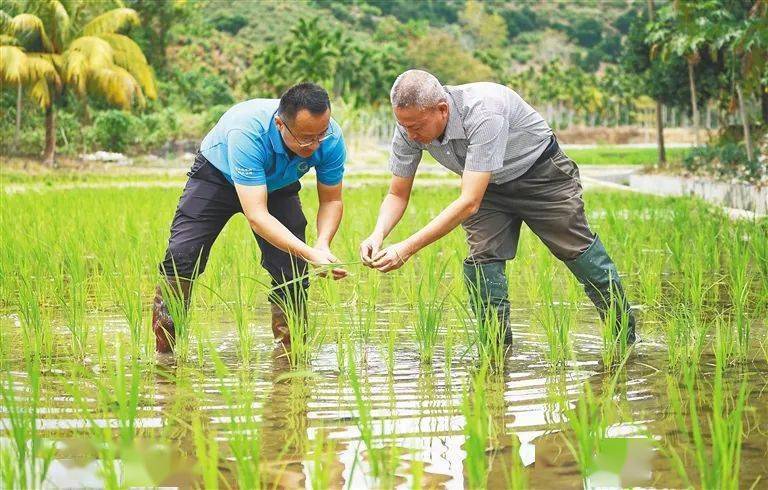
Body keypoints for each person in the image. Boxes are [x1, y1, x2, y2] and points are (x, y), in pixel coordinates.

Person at [360, 70, 635, 346]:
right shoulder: (409, 125)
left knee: (575, 248)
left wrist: (406, 248)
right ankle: (496, 352)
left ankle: (624, 338)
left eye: (416, 126)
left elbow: (469, 202)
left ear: (442, 109)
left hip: (541, 175)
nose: (410, 133)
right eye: (404, 125)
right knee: (483, 260)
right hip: (487, 186)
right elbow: (397, 193)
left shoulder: (484, 110)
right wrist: (377, 234)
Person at [153, 82, 348, 353]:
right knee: (182, 256)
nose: (314, 145)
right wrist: (309, 253)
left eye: (321, 135)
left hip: (278, 183)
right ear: (280, 124)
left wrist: (322, 245)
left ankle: (290, 359)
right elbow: (257, 215)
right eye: (305, 138)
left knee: (291, 268)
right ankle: (165, 354)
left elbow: (331, 200)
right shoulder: (247, 131)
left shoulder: (331, 139)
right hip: (217, 177)